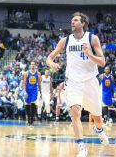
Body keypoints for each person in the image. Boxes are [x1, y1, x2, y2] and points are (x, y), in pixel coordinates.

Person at [46, 12, 109, 157]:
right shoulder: (65, 40)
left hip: (90, 81)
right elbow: (49, 58)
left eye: (75, 20)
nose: (72, 22)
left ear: (83, 23)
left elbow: (102, 62)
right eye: (72, 20)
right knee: (75, 113)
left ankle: (99, 130)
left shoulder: (92, 38)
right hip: (73, 81)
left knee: (97, 117)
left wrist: (89, 54)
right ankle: (81, 145)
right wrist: (52, 64)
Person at [23, 61, 42, 127]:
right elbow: (24, 83)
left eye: (34, 64)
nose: (33, 66)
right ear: (30, 66)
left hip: (34, 90)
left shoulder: (38, 74)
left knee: (33, 104)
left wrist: (41, 92)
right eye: (32, 64)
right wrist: (25, 91)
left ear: (36, 66)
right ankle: (28, 120)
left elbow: (39, 84)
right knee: (28, 104)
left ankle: (31, 121)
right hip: (28, 91)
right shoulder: (26, 73)